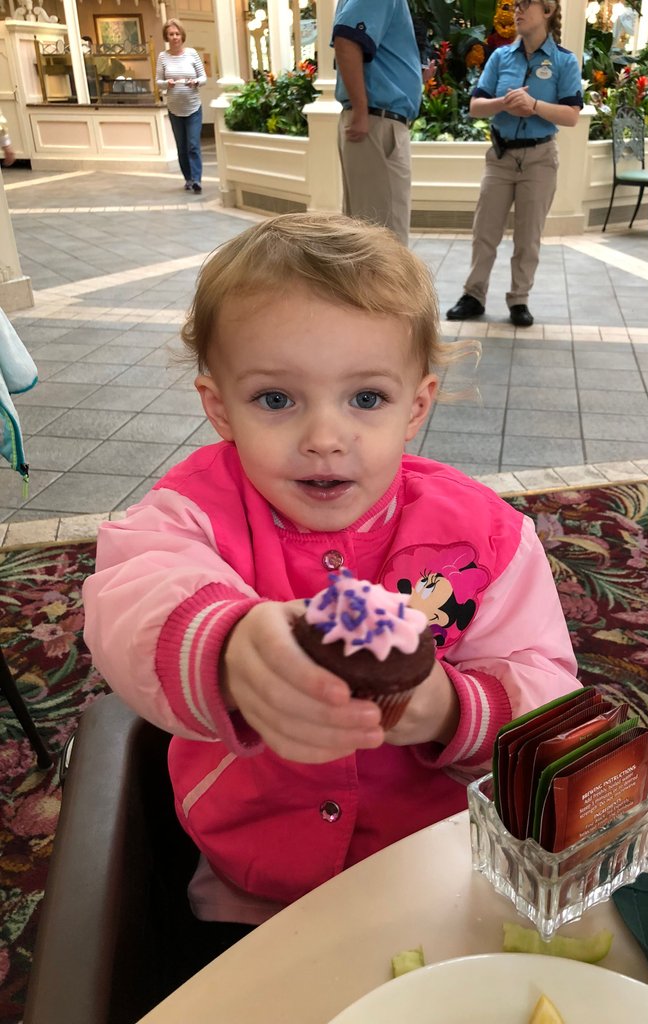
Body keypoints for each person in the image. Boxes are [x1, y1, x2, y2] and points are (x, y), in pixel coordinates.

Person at [82, 212, 580, 929]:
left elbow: (549, 694)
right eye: (276, 400)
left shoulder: (487, 539)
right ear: (220, 408)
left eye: (366, 399)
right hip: (252, 892)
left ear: (417, 406)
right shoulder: (192, 512)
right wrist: (229, 646)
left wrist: (452, 709)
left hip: (437, 871)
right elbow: (131, 595)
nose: (323, 439)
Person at [446, 0, 582, 327]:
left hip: (539, 159)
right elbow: (476, 106)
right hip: (501, 157)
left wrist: (534, 104)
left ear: (547, 11)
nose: (517, 10)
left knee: (528, 237)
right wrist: (504, 104)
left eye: (525, 4)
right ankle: (473, 295)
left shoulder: (564, 61)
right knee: (484, 231)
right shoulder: (500, 57)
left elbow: (571, 115)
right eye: (516, 5)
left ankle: (519, 299)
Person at [332, 0, 423, 246]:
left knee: (365, 239)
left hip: (374, 121)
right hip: (376, 122)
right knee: (384, 243)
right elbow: (346, 40)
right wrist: (361, 108)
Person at [156, 18, 206, 193]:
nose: (175, 37)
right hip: (175, 109)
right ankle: (188, 179)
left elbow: (203, 78)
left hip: (193, 107)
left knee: (193, 145)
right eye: (171, 34)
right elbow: (158, 81)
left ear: (182, 35)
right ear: (167, 37)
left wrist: (195, 82)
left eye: (177, 33)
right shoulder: (163, 57)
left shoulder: (192, 54)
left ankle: (197, 179)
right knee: (182, 147)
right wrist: (166, 83)